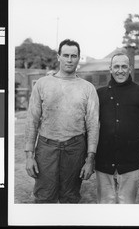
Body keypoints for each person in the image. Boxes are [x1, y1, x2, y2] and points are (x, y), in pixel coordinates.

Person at [25, 39, 99, 203]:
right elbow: (32, 121)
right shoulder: (43, 84)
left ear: (79, 58)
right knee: (44, 197)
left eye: (74, 56)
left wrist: (90, 159)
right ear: (58, 56)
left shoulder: (87, 88)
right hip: (46, 147)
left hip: (75, 147)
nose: (69, 59)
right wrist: (29, 156)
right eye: (66, 55)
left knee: (70, 198)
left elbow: (93, 126)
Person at [95, 52, 139, 204]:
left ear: (130, 69)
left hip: (131, 161)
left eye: (124, 66)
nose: (120, 70)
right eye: (116, 66)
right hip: (103, 160)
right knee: (105, 204)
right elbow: (91, 126)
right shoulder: (99, 94)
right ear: (110, 69)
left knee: (127, 206)